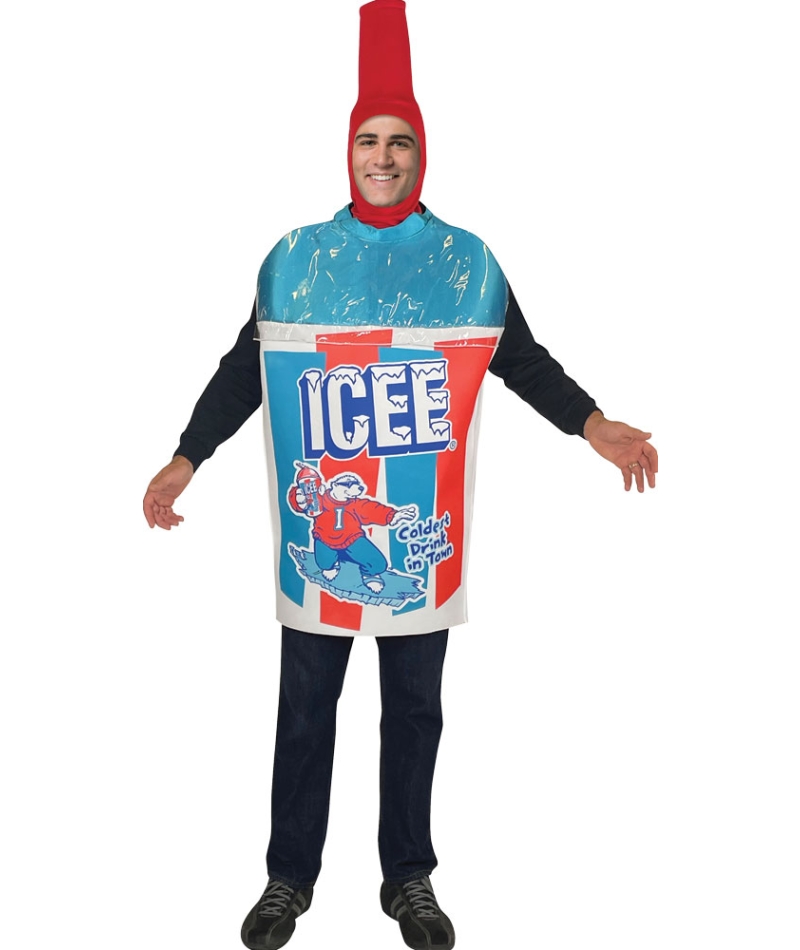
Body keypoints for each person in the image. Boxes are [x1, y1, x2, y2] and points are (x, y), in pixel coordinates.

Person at [143, 2, 658, 949]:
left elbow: (520, 360)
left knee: (415, 711)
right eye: (369, 140)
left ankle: (408, 878)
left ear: (424, 155)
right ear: (347, 151)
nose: (383, 157)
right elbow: (245, 369)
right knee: (306, 710)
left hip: (421, 539)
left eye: (401, 142)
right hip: (318, 546)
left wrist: (595, 426)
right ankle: (288, 879)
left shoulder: (466, 262)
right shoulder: (295, 260)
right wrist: (186, 457)